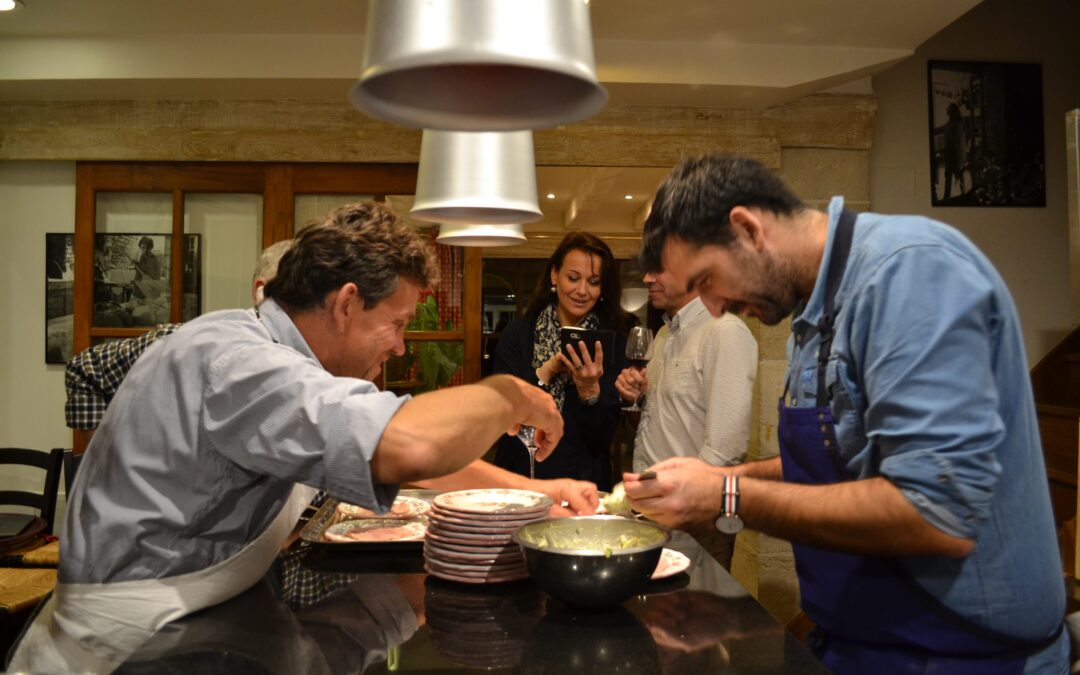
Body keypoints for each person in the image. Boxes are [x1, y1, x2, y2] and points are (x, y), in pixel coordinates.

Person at [10, 202, 567, 672]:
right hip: (133, 646)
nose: (400, 346)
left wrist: (537, 495)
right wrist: (512, 395)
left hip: (209, 614)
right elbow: (408, 444)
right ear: (346, 304)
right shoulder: (241, 363)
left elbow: (393, 454)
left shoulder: (268, 353)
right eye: (396, 324)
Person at [624, 155, 1067, 673]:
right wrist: (722, 476)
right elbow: (840, 460)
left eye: (706, 281)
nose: (714, 308)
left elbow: (934, 512)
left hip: (965, 655)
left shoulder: (909, 272)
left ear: (746, 229)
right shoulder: (814, 308)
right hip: (863, 646)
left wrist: (727, 494)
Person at [613, 260, 756, 569]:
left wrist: (677, 509)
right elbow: (655, 426)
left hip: (692, 522)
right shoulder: (665, 334)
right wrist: (635, 401)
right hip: (655, 514)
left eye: (659, 267)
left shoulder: (725, 332)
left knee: (698, 616)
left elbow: (726, 450)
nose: (648, 277)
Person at [492, 232, 629, 491]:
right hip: (521, 478)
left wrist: (590, 390)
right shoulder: (519, 335)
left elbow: (602, 438)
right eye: (573, 278)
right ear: (555, 275)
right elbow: (502, 412)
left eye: (594, 281)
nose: (582, 290)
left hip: (581, 483)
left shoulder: (612, 345)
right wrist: (546, 371)